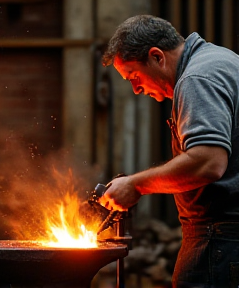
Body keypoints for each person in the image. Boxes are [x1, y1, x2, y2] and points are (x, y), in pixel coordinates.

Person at [98, 15, 239, 288]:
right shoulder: (224, 61)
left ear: (157, 57)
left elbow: (209, 161)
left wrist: (136, 185)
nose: (137, 89)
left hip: (221, 242)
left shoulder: (197, 78)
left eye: (134, 77)